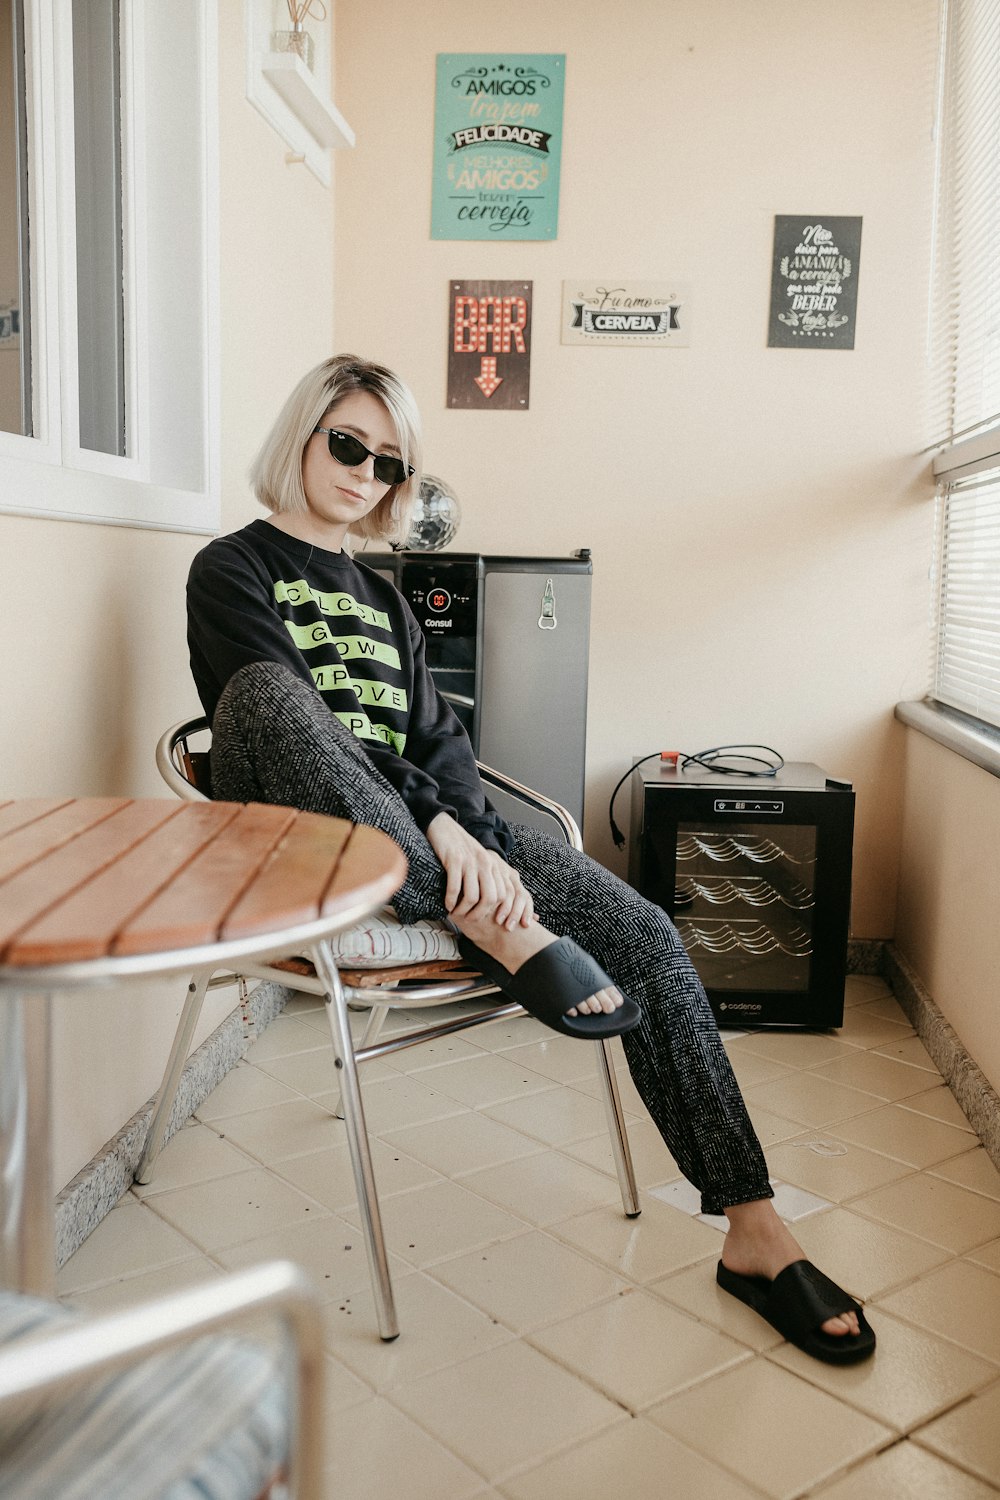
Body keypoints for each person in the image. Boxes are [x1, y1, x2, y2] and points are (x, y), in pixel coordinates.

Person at [186, 353, 875, 1366]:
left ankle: (753, 1229)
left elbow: (438, 745)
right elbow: (307, 736)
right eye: (346, 445)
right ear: (301, 431)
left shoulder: (383, 598)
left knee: (642, 930)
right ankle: (492, 916)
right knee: (275, 701)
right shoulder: (230, 569)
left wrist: (457, 825)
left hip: (424, 840)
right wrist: (441, 829)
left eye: (387, 465)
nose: (362, 475)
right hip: (306, 840)